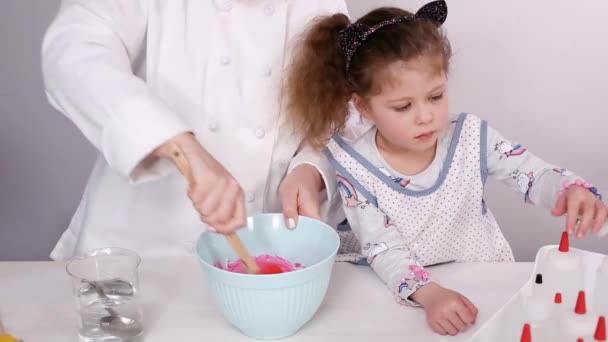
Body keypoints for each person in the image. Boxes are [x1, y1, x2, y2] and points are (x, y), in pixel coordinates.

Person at [284, 0, 607, 336]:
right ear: (363, 106)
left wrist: (570, 192)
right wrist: (430, 294)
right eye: (403, 106)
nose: (425, 116)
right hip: (396, 293)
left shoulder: (470, 136)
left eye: (435, 97)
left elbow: (531, 174)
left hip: (482, 280)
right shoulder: (356, 164)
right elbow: (382, 247)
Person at [41, 0, 351, 261]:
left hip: (263, 247)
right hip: (140, 254)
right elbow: (74, 52)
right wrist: (175, 143)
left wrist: (311, 169)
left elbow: (344, 101)